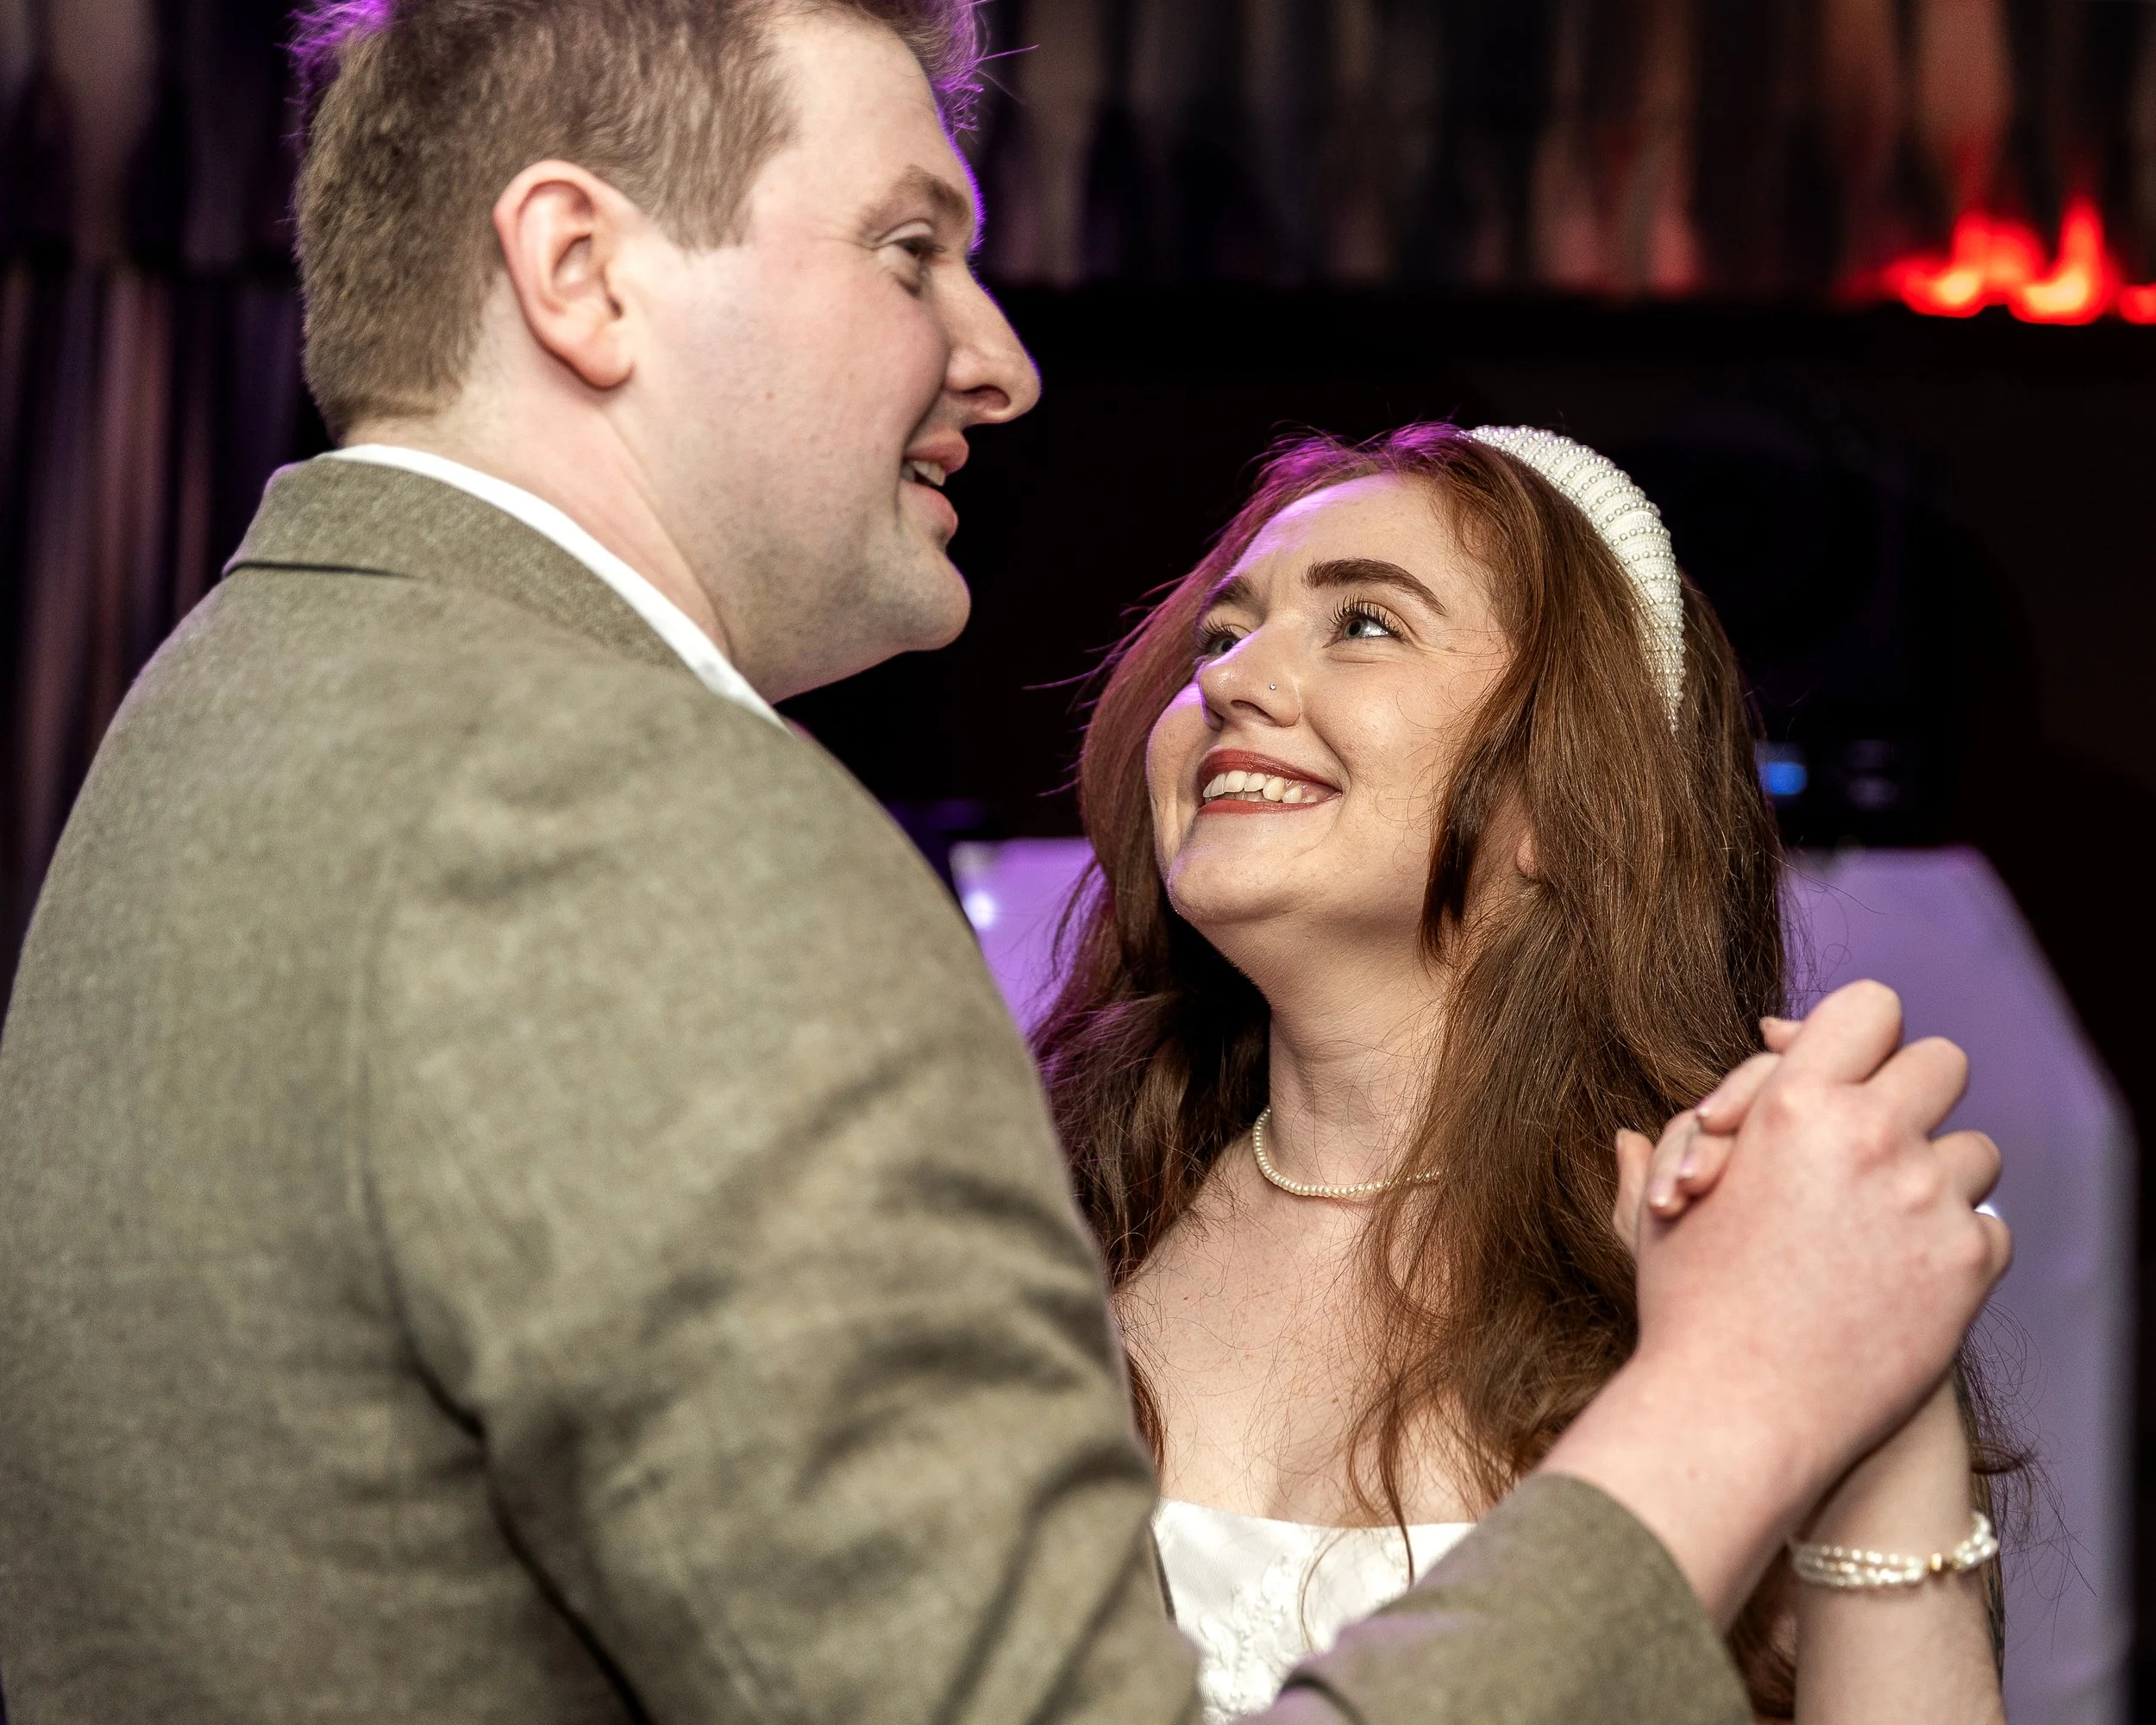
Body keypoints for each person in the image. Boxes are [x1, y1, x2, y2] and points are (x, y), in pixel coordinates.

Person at [0, 3, 2007, 1722]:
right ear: (581, 272)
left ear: (1568, 786)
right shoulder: (658, 843)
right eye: (906, 247)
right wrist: (1741, 1395)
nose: (997, 358)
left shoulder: (227, 697)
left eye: (1366, 624)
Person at [1035, 423, 2009, 1724]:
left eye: (1365, 624)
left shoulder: (1693, 1269)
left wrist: (1890, 1404)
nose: (1233, 679)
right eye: (1218, 638)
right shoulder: (1043, 1222)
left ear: (1567, 792)